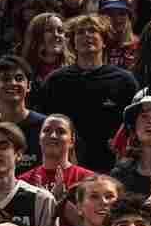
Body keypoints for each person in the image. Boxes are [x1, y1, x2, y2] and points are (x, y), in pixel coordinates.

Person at [38, 15, 138, 172]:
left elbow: (133, 126)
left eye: (93, 31)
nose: (87, 36)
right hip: (65, 166)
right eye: (80, 32)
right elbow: (44, 124)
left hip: (112, 167)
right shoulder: (55, 81)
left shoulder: (124, 81)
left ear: (104, 41)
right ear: (73, 44)